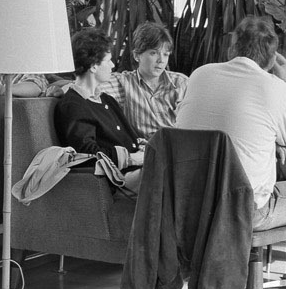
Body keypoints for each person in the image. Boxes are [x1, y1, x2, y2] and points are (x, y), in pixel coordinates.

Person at [176, 14, 286, 289]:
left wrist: (268, 139)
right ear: (272, 58)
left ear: (232, 48)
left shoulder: (199, 75)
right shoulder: (276, 88)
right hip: (243, 209)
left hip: (190, 204)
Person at [54, 28, 145, 191]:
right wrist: (132, 159)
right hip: (119, 178)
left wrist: (143, 147)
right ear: (94, 66)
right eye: (108, 60)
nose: (112, 65)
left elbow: (130, 137)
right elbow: (86, 155)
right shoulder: (73, 105)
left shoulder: (107, 99)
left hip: (138, 169)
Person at [109, 21, 188, 139]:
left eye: (166, 54)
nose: (161, 60)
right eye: (153, 53)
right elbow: (89, 85)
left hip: (177, 145)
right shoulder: (123, 82)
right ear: (137, 56)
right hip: (143, 148)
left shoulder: (181, 83)